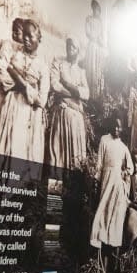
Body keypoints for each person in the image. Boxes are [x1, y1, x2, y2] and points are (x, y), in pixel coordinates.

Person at [0, 19, 49, 178]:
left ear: (39, 38)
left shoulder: (42, 65)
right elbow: (0, 72)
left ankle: (12, 189)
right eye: (24, 35)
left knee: (18, 149)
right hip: (9, 105)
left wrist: (22, 83)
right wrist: (20, 85)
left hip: (26, 112)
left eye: (30, 36)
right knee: (1, 144)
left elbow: (42, 100)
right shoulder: (13, 53)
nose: (25, 39)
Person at [89, 116, 132, 273]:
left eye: (119, 127)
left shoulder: (123, 147)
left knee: (114, 221)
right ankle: (98, 266)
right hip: (105, 182)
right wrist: (95, 181)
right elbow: (99, 164)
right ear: (111, 126)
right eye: (114, 126)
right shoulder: (104, 140)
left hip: (117, 186)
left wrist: (124, 174)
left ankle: (111, 267)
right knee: (101, 217)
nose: (116, 129)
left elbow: (131, 167)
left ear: (121, 129)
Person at [46, 37, 89, 174]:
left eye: (74, 47)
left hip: (76, 116)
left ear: (78, 51)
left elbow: (86, 93)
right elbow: (54, 84)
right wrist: (72, 93)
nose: (70, 50)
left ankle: (71, 190)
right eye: (69, 46)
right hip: (61, 112)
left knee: (75, 153)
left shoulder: (81, 72)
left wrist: (69, 85)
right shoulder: (59, 63)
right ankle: (55, 191)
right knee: (57, 151)